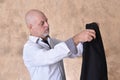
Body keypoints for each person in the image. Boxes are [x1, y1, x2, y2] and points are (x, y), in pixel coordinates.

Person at [23, 9, 96, 80]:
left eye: (46, 21)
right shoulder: (29, 49)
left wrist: (87, 39)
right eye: (42, 23)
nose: (47, 25)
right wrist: (76, 39)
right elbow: (50, 56)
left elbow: (74, 52)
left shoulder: (53, 42)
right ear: (30, 27)